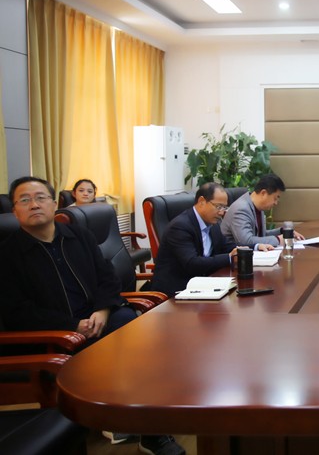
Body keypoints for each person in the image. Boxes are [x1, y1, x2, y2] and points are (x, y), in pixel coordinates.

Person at [0, 176, 185, 455]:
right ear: (14, 211)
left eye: (40, 198)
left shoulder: (79, 237)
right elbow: (17, 311)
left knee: (135, 329)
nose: (34, 205)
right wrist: (73, 325)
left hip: (98, 317)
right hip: (51, 336)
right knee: (125, 349)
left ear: (54, 204)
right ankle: (146, 428)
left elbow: (108, 280)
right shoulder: (7, 254)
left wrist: (102, 310)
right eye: (24, 200)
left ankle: (139, 419)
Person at [151, 182, 243, 297]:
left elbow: (226, 246)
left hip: (201, 284)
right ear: (202, 201)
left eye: (224, 208)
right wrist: (229, 258)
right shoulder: (180, 226)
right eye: (218, 206)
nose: (221, 212)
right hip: (176, 291)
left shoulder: (213, 224)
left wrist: (252, 248)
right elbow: (192, 263)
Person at [221, 173, 304, 249]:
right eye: (275, 198)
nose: (276, 203)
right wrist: (278, 239)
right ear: (263, 193)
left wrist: (282, 232)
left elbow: (260, 235)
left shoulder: (258, 207)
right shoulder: (241, 209)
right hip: (234, 257)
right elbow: (246, 241)